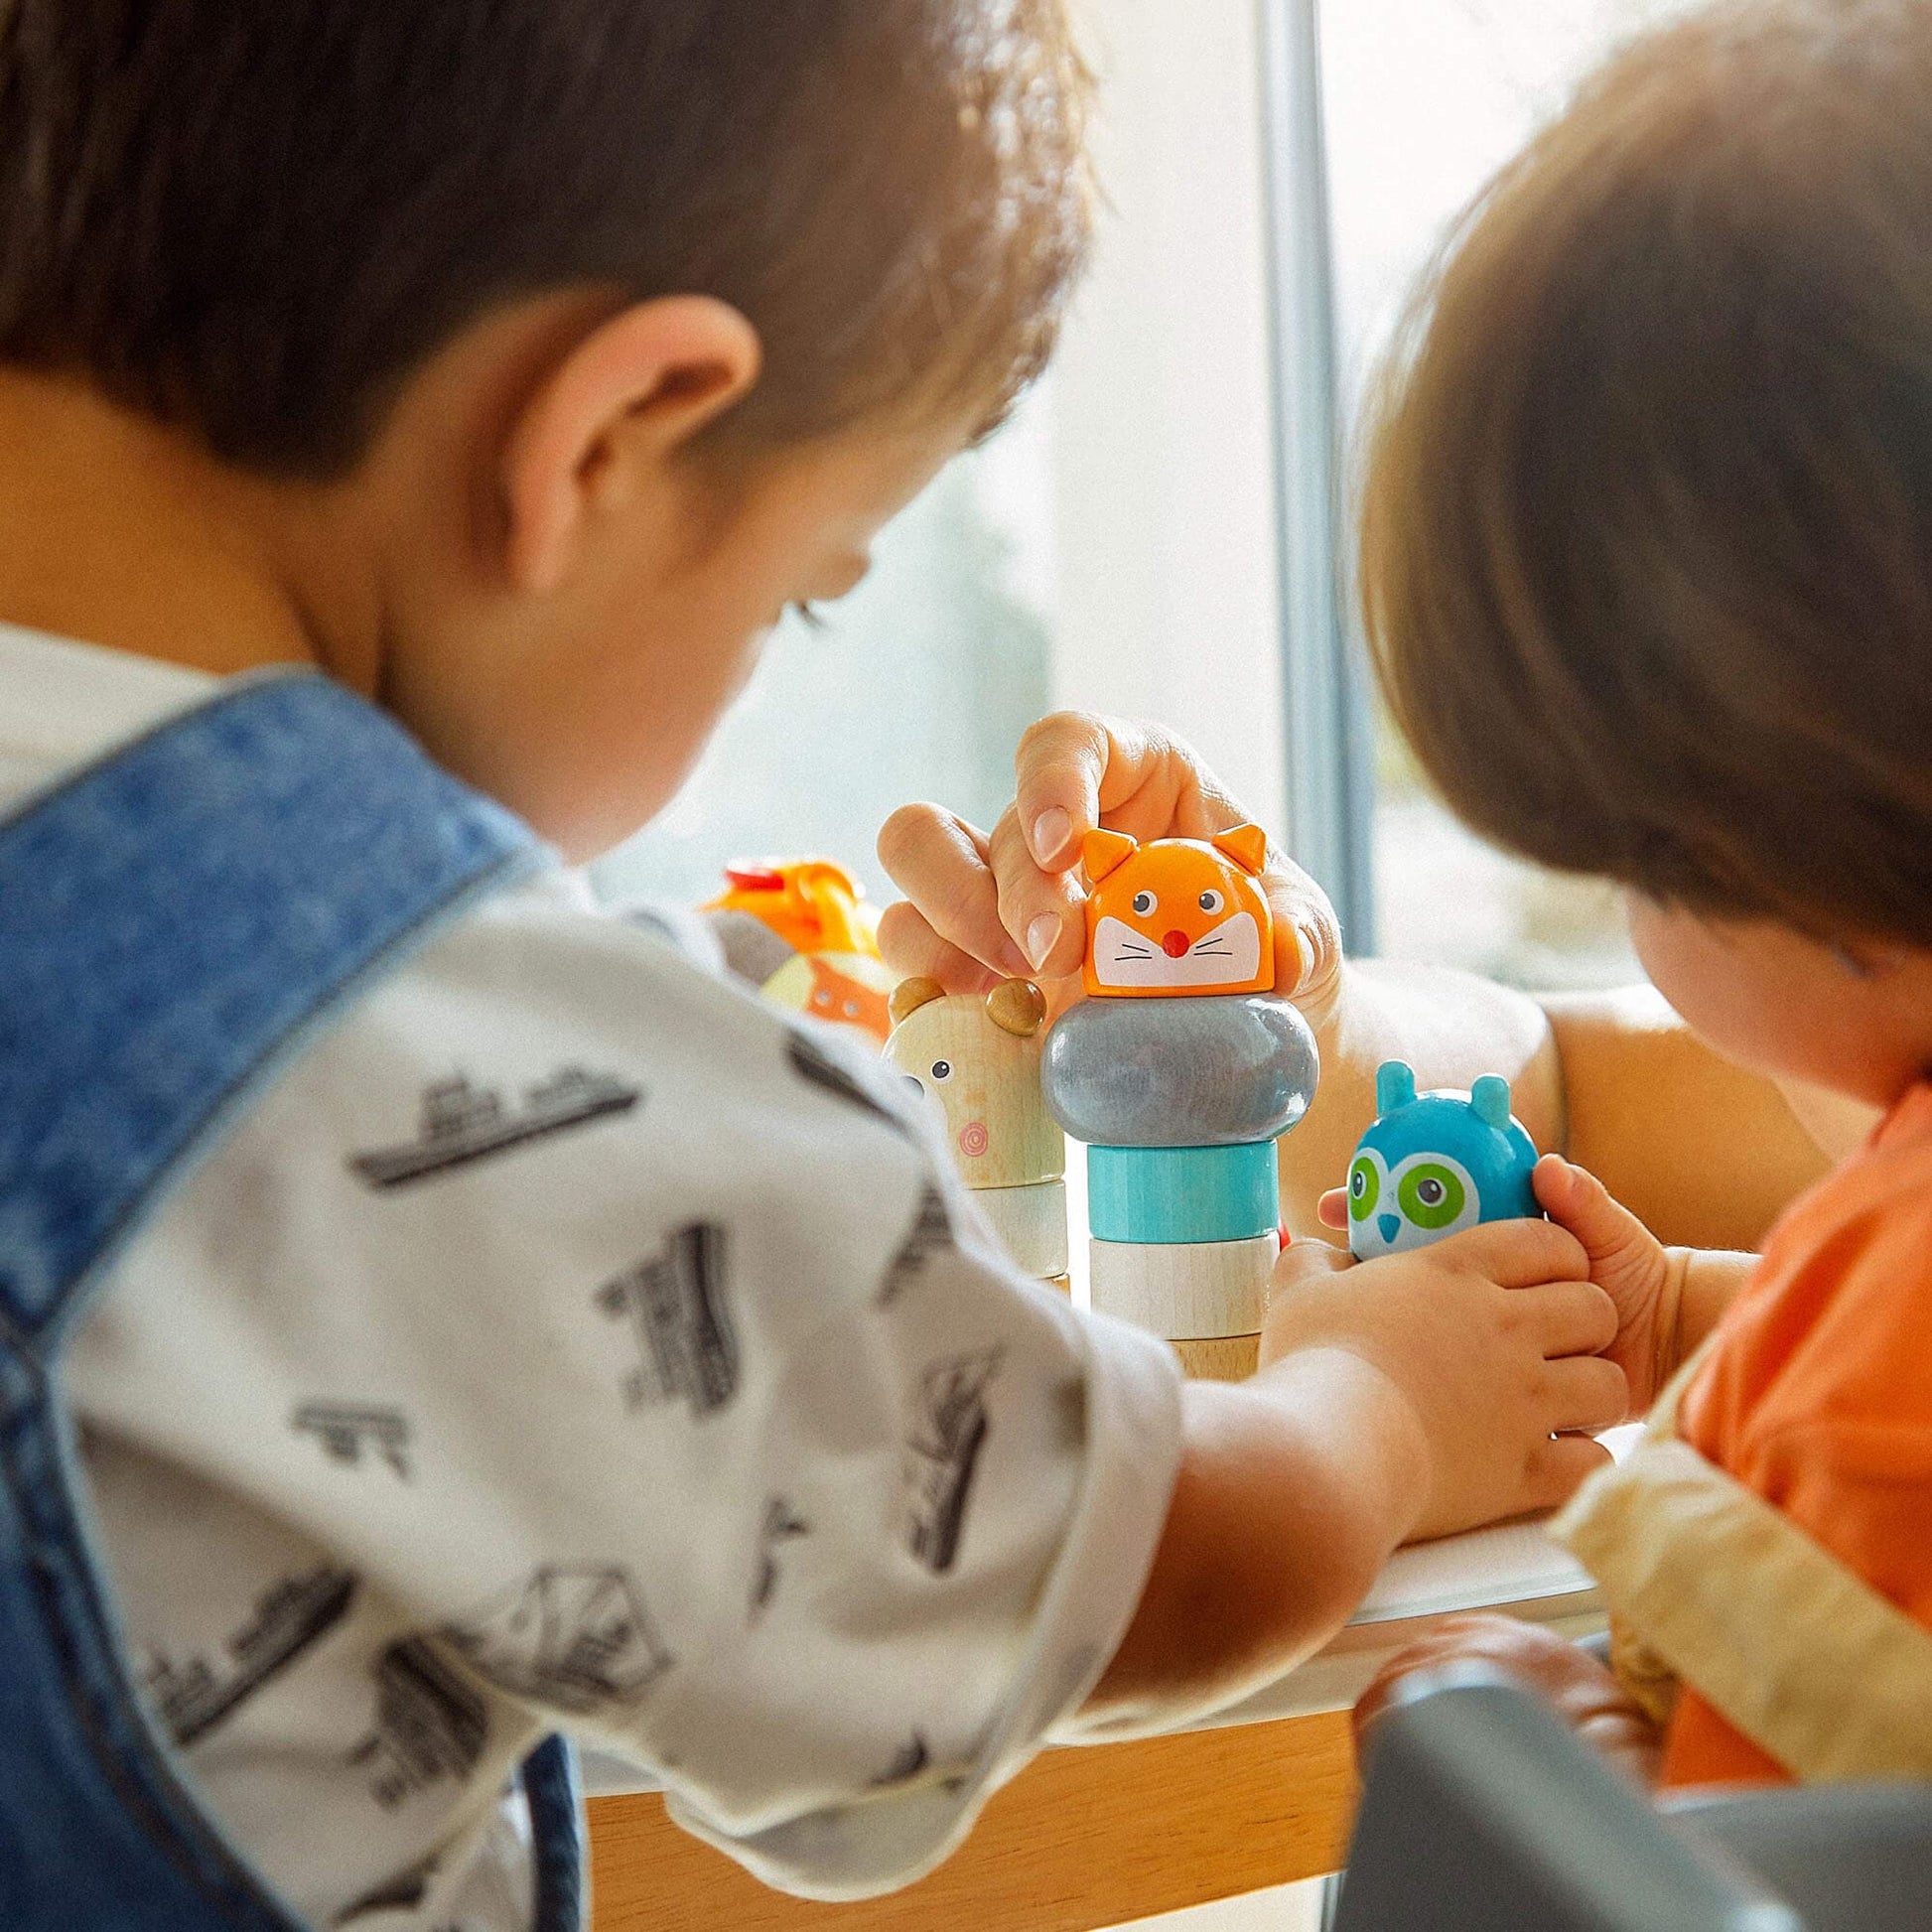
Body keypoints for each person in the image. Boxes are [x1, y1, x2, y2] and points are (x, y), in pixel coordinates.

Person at [0, 6, 1627, 1928]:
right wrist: (1378, 1405)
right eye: (800, 589)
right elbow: (1100, 1563)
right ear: (606, 437)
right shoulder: (425, 1045)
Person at [890, 0, 1932, 1796]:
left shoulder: (1872, 1385)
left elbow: (1779, 1873)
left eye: (1629, 855)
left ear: (1758, 819)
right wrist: (1674, 1313)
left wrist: (1587, 1752)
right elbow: (1576, 1086)